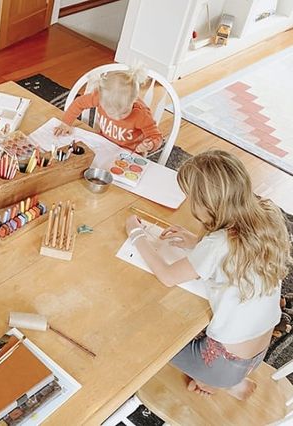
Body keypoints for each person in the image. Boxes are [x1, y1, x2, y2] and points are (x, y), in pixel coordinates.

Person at [125, 150, 290, 400]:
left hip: (221, 364)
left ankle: (214, 381)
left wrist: (135, 233)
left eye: (191, 197)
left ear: (207, 203)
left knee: (145, 338)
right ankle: (232, 383)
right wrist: (196, 242)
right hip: (257, 355)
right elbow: (233, 258)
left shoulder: (219, 244)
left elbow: (168, 276)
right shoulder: (266, 214)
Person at [54, 65, 162, 155]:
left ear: (134, 100)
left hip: (130, 153)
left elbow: (156, 137)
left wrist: (150, 144)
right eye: (110, 112)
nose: (117, 117)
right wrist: (66, 123)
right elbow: (79, 103)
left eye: (124, 112)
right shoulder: (100, 97)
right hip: (103, 144)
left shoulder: (141, 115)